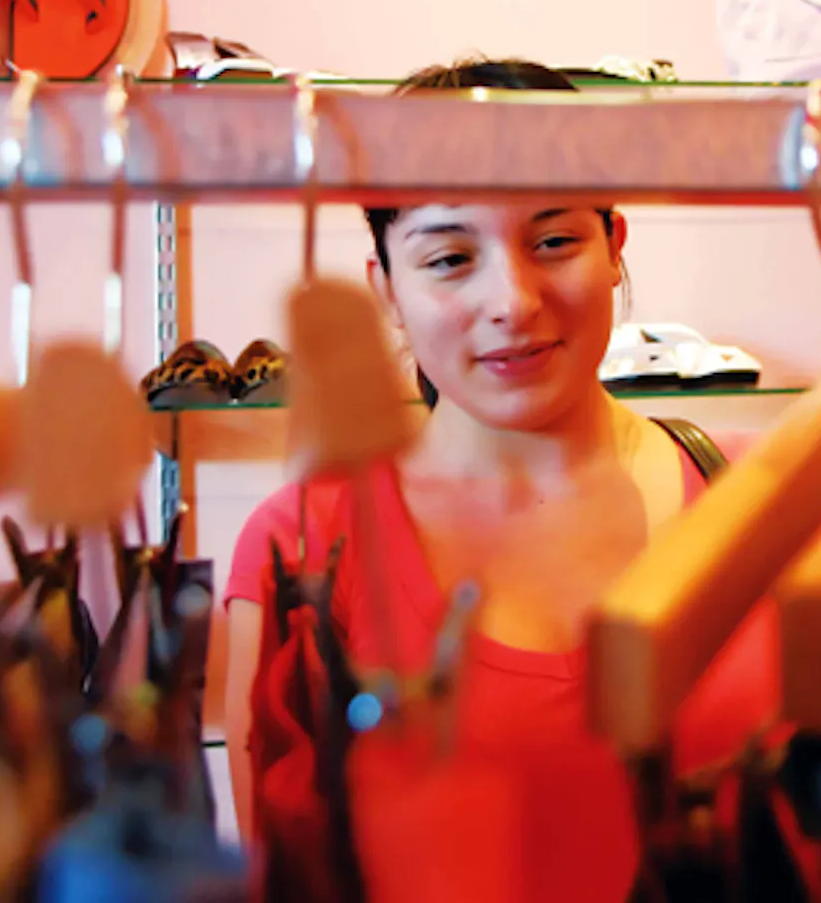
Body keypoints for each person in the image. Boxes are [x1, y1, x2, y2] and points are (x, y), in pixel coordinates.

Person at [222, 58, 790, 903]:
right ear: (386, 289)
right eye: (450, 258)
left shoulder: (766, 498)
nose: (513, 299)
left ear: (614, 245)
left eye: (555, 240)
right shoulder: (298, 547)